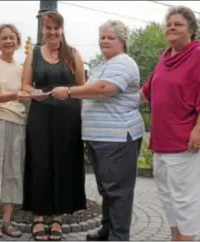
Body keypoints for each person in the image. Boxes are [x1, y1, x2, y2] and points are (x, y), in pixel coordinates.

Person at [52, 20, 144, 241]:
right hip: (99, 137)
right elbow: (93, 89)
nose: (104, 41)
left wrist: (69, 91)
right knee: (107, 190)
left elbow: (104, 89)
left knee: (118, 192)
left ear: (122, 41)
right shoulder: (103, 65)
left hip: (118, 138)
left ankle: (118, 237)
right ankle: (107, 230)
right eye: (102, 37)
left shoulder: (123, 62)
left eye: (110, 37)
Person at [140, 6, 200, 242]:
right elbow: (146, 91)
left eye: (178, 24)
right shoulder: (165, 57)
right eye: (168, 23)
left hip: (186, 142)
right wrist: (106, 92)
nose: (171, 27)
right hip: (161, 142)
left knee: (186, 200)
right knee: (168, 198)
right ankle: (175, 238)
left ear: (191, 30)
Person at [22, 11, 87, 241]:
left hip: (68, 118)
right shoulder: (34, 55)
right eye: (47, 28)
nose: (51, 32)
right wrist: (34, 93)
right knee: (39, 162)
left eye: (55, 28)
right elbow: (25, 86)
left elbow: (82, 87)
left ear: (62, 29)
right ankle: (39, 216)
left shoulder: (73, 54)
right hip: (39, 115)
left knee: (63, 162)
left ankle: (58, 217)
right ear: (42, 29)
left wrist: (81, 117)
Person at [0, 24, 30, 239]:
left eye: (12, 38)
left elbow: (28, 94)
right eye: (4, 38)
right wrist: (16, 95)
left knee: (13, 171)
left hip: (17, 122)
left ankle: (7, 221)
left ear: (18, 42)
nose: (8, 41)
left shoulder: (22, 69)